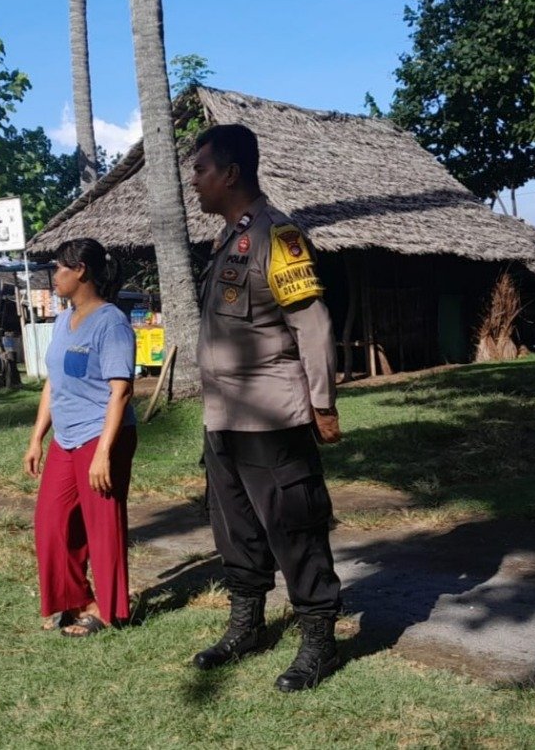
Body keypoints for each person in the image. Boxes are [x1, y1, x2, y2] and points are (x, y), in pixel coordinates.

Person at [187, 123, 344, 692]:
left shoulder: (278, 237)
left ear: (231, 174)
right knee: (235, 528)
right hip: (223, 416)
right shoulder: (227, 239)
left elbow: (313, 327)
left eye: (201, 170)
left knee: (294, 526)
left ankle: (319, 639)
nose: (194, 181)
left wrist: (322, 404)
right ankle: (246, 625)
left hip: (272, 416)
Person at [23, 238, 137, 637]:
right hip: (66, 437)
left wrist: (104, 452)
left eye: (59, 268)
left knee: (102, 527)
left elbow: (121, 390)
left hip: (102, 435)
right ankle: (75, 600)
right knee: (51, 523)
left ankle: (109, 611)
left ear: (81, 271)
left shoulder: (111, 322)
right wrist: (37, 438)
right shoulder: (62, 321)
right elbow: (53, 383)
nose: (54, 276)